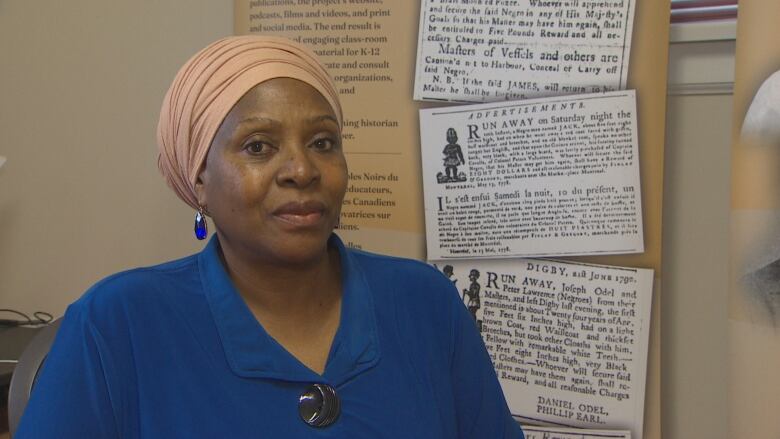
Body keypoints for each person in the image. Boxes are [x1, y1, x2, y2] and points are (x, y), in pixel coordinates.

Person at [15, 36, 524, 438]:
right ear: (198, 178)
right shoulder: (116, 323)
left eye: (323, 142)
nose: (302, 169)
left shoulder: (425, 302)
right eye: (259, 146)